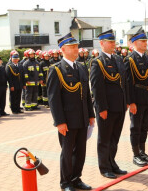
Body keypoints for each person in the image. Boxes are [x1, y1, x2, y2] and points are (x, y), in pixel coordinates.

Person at [47, 32, 95, 191]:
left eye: (77, 46)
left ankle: (76, 178)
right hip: (67, 120)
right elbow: (54, 99)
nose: (76, 49)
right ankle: (65, 182)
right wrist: (59, 121)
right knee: (67, 153)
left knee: (80, 151)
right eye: (72, 47)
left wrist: (90, 115)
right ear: (62, 49)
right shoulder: (56, 70)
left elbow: (87, 94)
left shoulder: (81, 68)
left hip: (81, 118)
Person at [90, 29, 129, 179]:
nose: (113, 44)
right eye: (110, 42)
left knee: (115, 138)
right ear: (102, 43)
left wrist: (125, 102)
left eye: (114, 41)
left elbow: (123, 83)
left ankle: (112, 163)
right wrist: (101, 108)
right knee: (105, 139)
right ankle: (104, 167)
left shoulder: (118, 59)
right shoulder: (97, 62)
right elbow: (96, 88)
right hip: (106, 108)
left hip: (119, 106)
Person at [124, 29, 148, 167]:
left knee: (145, 127)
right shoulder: (130, 59)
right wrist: (131, 102)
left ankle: (142, 152)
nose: (145, 43)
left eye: (146, 41)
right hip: (137, 98)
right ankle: (136, 154)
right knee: (135, 128)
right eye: (143, 41)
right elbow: (128, 83)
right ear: (135, 43)